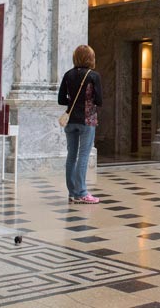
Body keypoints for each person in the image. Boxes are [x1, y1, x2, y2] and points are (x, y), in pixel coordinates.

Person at [58, 45, 103, 205]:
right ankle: (82, 192)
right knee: (83, 155)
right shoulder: (93, 76)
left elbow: (61, 100)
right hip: (87, 120)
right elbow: (99, 100)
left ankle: (72, 193)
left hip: (70, 120)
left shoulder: (68, 75)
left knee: (71, 156)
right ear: (90, 58)